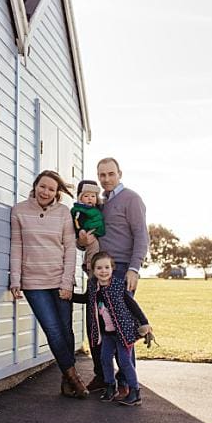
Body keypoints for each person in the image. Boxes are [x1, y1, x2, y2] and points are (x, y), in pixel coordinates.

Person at [76, 157, 152, 393]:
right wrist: (81, 242)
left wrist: (134, 268)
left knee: (121, 327)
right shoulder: (98, 204)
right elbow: (88, 238)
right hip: (96, 270)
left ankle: (127, 381)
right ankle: (102, 376)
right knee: (96, 325)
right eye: (102, 175)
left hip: (120, 270)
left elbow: (141, 235)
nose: (106, 179)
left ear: (119, 173)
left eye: (110, 174)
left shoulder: (131, 199)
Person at [7, 170, 85, 398]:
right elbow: (16, 247)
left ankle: (66, 381)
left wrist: (67, 283)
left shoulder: (63, 214)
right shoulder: (19, 211)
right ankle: (74, 378)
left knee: (66, 331)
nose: (46, 192)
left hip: (59, 279)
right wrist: (15, 279)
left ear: (56, 193)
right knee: (52, 330)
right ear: (35, 186)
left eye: (51, 189)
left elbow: (70, 250)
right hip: (33, 283)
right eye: (43, 186)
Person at [85, 253, 142, 406]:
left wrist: (144, 323)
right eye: (99, 268)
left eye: (106, 267)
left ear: (112, 269)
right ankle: (110, 386)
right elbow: (86, 299)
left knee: (124, 362)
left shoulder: (118, 285)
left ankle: (135, 391)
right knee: (104, 359)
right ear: (93, 269)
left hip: (122, 333)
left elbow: (132, 305)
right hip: (107, 334)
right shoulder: (92, 286)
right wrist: (69, 296)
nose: (103, 271)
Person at [71, 179, 106, 264]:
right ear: (80, 197)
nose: (90, 198)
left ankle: (88, 263)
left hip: (99, 239)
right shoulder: (79, 210)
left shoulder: (101, 208)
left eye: (93, 196)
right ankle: (90, 265)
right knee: (93, 247)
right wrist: (80, 232)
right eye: (86, 196)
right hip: (88, 233)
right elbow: (76, 223)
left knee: (93, 248)